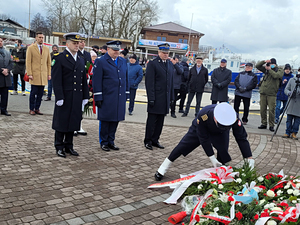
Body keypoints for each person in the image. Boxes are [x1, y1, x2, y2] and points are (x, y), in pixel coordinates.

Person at [154, 102, 254, 181]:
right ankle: (163, 167)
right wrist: (212, 158)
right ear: (215, 118)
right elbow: (203, 139)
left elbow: (241, 138)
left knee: (223, 151)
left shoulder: (234, 118)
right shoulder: (204, 114)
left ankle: (221, 174)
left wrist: (249, 158)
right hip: (200, 129)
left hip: (220, 133)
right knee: (182, 146)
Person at [51, 33, 89, 158]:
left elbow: (83, 80)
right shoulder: (60, 58)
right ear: (67, 44)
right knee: (62, 122)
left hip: (76, 96)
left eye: (78, 43)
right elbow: (56, 80)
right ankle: (59, 146)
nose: (77, 45)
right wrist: (59, 97)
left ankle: (69, 146)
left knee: (73, 121)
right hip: (65, 96)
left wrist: (85, 96)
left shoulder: (81, 59)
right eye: (74, 43)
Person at [93, 40, 129, 152]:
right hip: (107, 96)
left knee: (115, 120)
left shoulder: (123, 61)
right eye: (114, 50)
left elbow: (125, 78)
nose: (116, 52)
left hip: (119, 96)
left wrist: (127, 93)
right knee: (105, 120)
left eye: (118, 50)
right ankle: (103, 142)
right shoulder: (101, 61)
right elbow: (96, 80)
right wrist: (97, 96)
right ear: (108, 49)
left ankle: (111, 141)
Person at [144, 43, 174, 150]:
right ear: (159, 52)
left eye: (167, 53)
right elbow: (149, 83)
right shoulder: (153, 64)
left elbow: (171, 82)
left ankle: (155, 140)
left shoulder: (170, 64)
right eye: (163, 53)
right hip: (156, 97)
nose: (165, 55)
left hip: (165, 99)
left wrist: (171, 98)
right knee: (152, 122)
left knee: (160, 122)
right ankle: (148, 140)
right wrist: (151, 98)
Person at [26, 31, 51, 115]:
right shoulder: (31, 48)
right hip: (34, 74)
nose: (41, 39)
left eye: (42, 37)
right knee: (33, 93)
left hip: (43, 75)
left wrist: (49, 74)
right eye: (39, 37)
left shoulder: (46, 49)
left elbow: (48, 63)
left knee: (40, 93)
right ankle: (31, 108)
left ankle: (37, 108)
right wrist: (29, 73)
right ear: (36, 38)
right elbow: (28, 62)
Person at [256, 58, 283, 132]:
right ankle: (263, 123)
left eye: (271, 64)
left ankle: (271, 125)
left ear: (274, 64)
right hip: (263, 92)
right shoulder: (267, 70)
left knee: (271, 110)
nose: (270, 66)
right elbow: (257, 66)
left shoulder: (279, 70)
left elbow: (276, 76)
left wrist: (270, 69)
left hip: (272, 94)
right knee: (262, 109)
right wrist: (264, 62)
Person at [74, 39, 92, 136]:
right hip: (76, 83)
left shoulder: (87, 54)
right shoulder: (75, 54)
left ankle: (79, 125)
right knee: (75, 105)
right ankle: (73, 126)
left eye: (83, 42)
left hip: (85, 82)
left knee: (83, 105)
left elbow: (90, 67)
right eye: (80, 41)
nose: (82, 43)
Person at [282, 72, 300, 140]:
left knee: (297, 120)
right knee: (289, 119)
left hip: (299, 104)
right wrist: (289, 93)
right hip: (291, 102)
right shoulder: (292, 80)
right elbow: (286, 89)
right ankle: (287, 132)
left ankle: (294, 132)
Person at [0, 38, 13, 116]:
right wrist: (1, 70)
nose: (0, 43)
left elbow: (12, 63)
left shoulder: (7, 52)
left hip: (6, 77)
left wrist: (7, 70)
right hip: (0, 75)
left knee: (5, 95)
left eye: (1, 41)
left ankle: (4, 110)